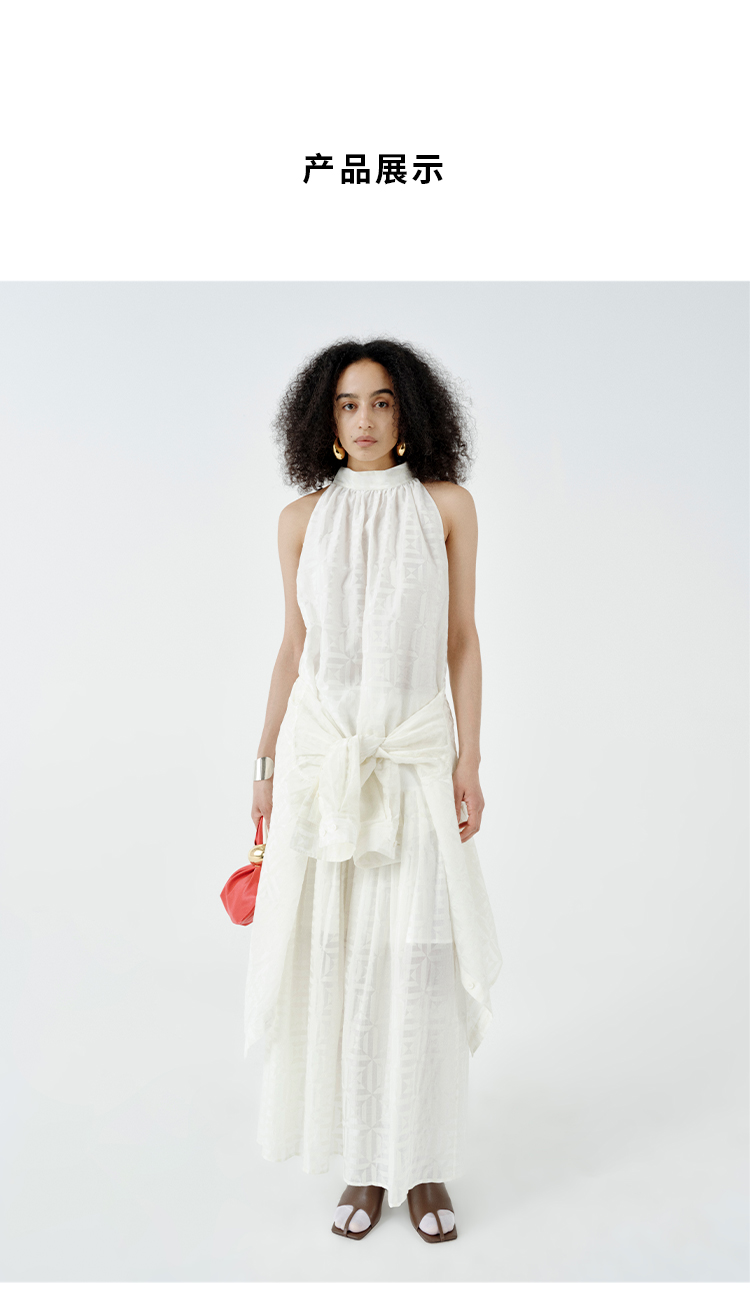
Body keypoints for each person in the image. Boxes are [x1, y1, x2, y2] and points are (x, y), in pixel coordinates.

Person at [243, 338, 501, 1242]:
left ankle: (421, 1165)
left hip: (414, 756)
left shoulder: (446, 507)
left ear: (409, 414)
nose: (364, 420)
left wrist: (469, 760)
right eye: (348, 404)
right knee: (341, 956)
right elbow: (293, 647)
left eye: (382, 402)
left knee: (419, 958)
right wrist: (265, 765)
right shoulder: (300, 520)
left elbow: (461, 639)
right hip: (323, 766)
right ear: (325, 419)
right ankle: (362, 1161)